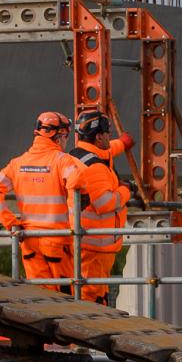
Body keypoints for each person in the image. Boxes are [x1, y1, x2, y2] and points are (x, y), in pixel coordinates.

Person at [0, 111, 84, 287]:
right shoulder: (63, 161)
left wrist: (10, 222)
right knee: (65, 297)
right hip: (57, 240)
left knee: (40, 296)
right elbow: (76, 182)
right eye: (66, 136)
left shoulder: (18, 163)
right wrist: (74, 227)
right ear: (59, 136)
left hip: (28, 240)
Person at [64, 109, 134, 304]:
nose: (109, 136)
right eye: (107, 133)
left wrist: (123, 144)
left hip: (89, 246)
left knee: (94, 294)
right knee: (90, 299)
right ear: (99, 136)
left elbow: (108, 150)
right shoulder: (95, 167)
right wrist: (126, 190)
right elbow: (105, 203)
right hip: (95, 248)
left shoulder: (79, 154)